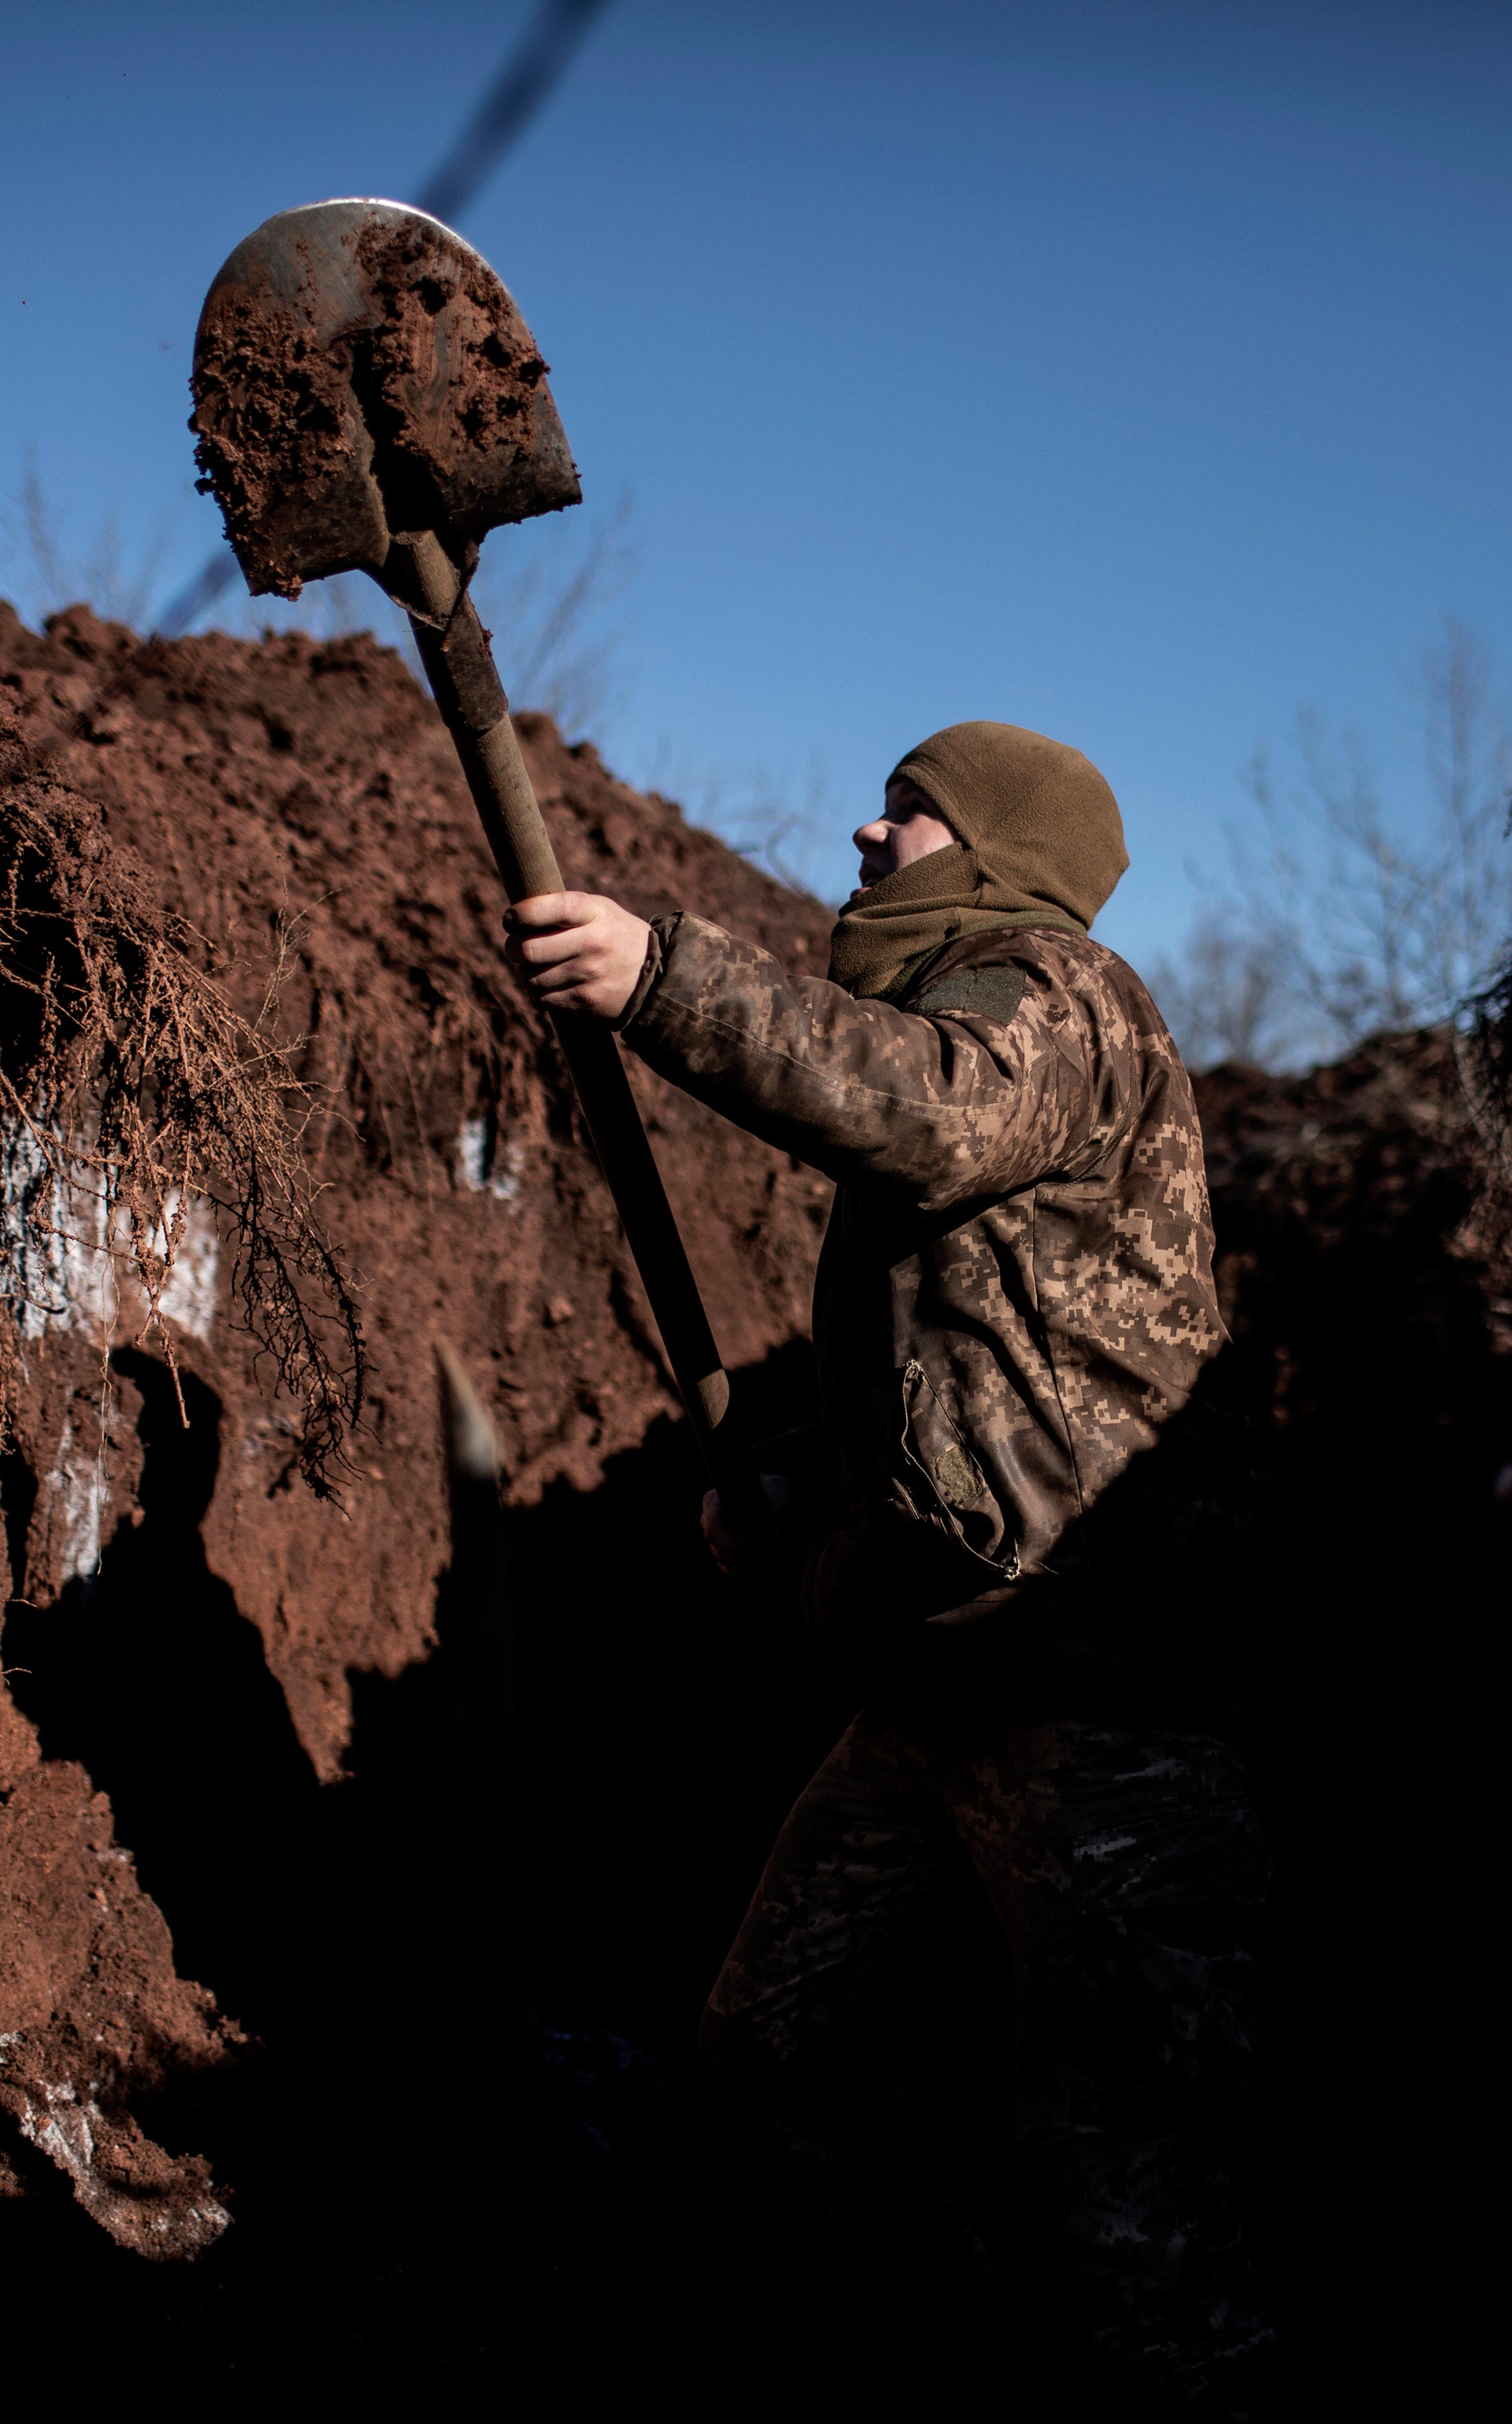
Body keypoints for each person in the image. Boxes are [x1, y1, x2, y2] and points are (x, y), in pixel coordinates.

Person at [508, 722, 1273, 2408]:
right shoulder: (969, 1019)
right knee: (781, 2052)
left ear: (995, 849)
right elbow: (975, 1378)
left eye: (911, 809)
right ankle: (946, 2381)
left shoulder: (1064, 998)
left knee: (1130, 2209)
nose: (867, 826)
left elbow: (922, 1116)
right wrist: (798, 1497)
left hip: (1097, 1706)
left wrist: (662, 978)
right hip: (938, 1682)